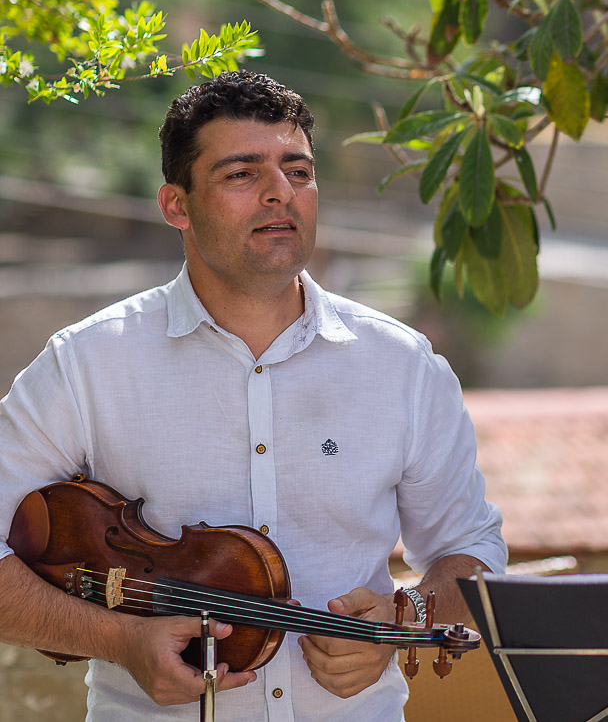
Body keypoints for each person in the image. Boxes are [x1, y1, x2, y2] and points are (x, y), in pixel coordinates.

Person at [0, 71, 506, 720]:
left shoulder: (404, 367)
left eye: (297, 171)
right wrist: (119, 640)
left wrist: (401, 621)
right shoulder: (86, 364)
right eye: (242, 175)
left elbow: (472, 548)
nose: (279, 193)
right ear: (176, 205)